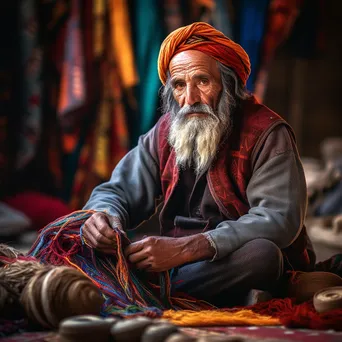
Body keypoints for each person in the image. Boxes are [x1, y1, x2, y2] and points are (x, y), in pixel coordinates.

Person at [81, 22, 315, 307]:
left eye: (202, 81)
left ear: (229, 86)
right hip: (180, 265)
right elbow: (117, 190)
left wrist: (189, 248)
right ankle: (204, 292)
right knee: (85, 240)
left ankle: (145, 290)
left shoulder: (267, 132)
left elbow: (279, 219)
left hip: (227, 258)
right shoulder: (166, 131)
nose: (190, 99)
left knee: (263, 256)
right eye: (179, 85)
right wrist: (105, 217)